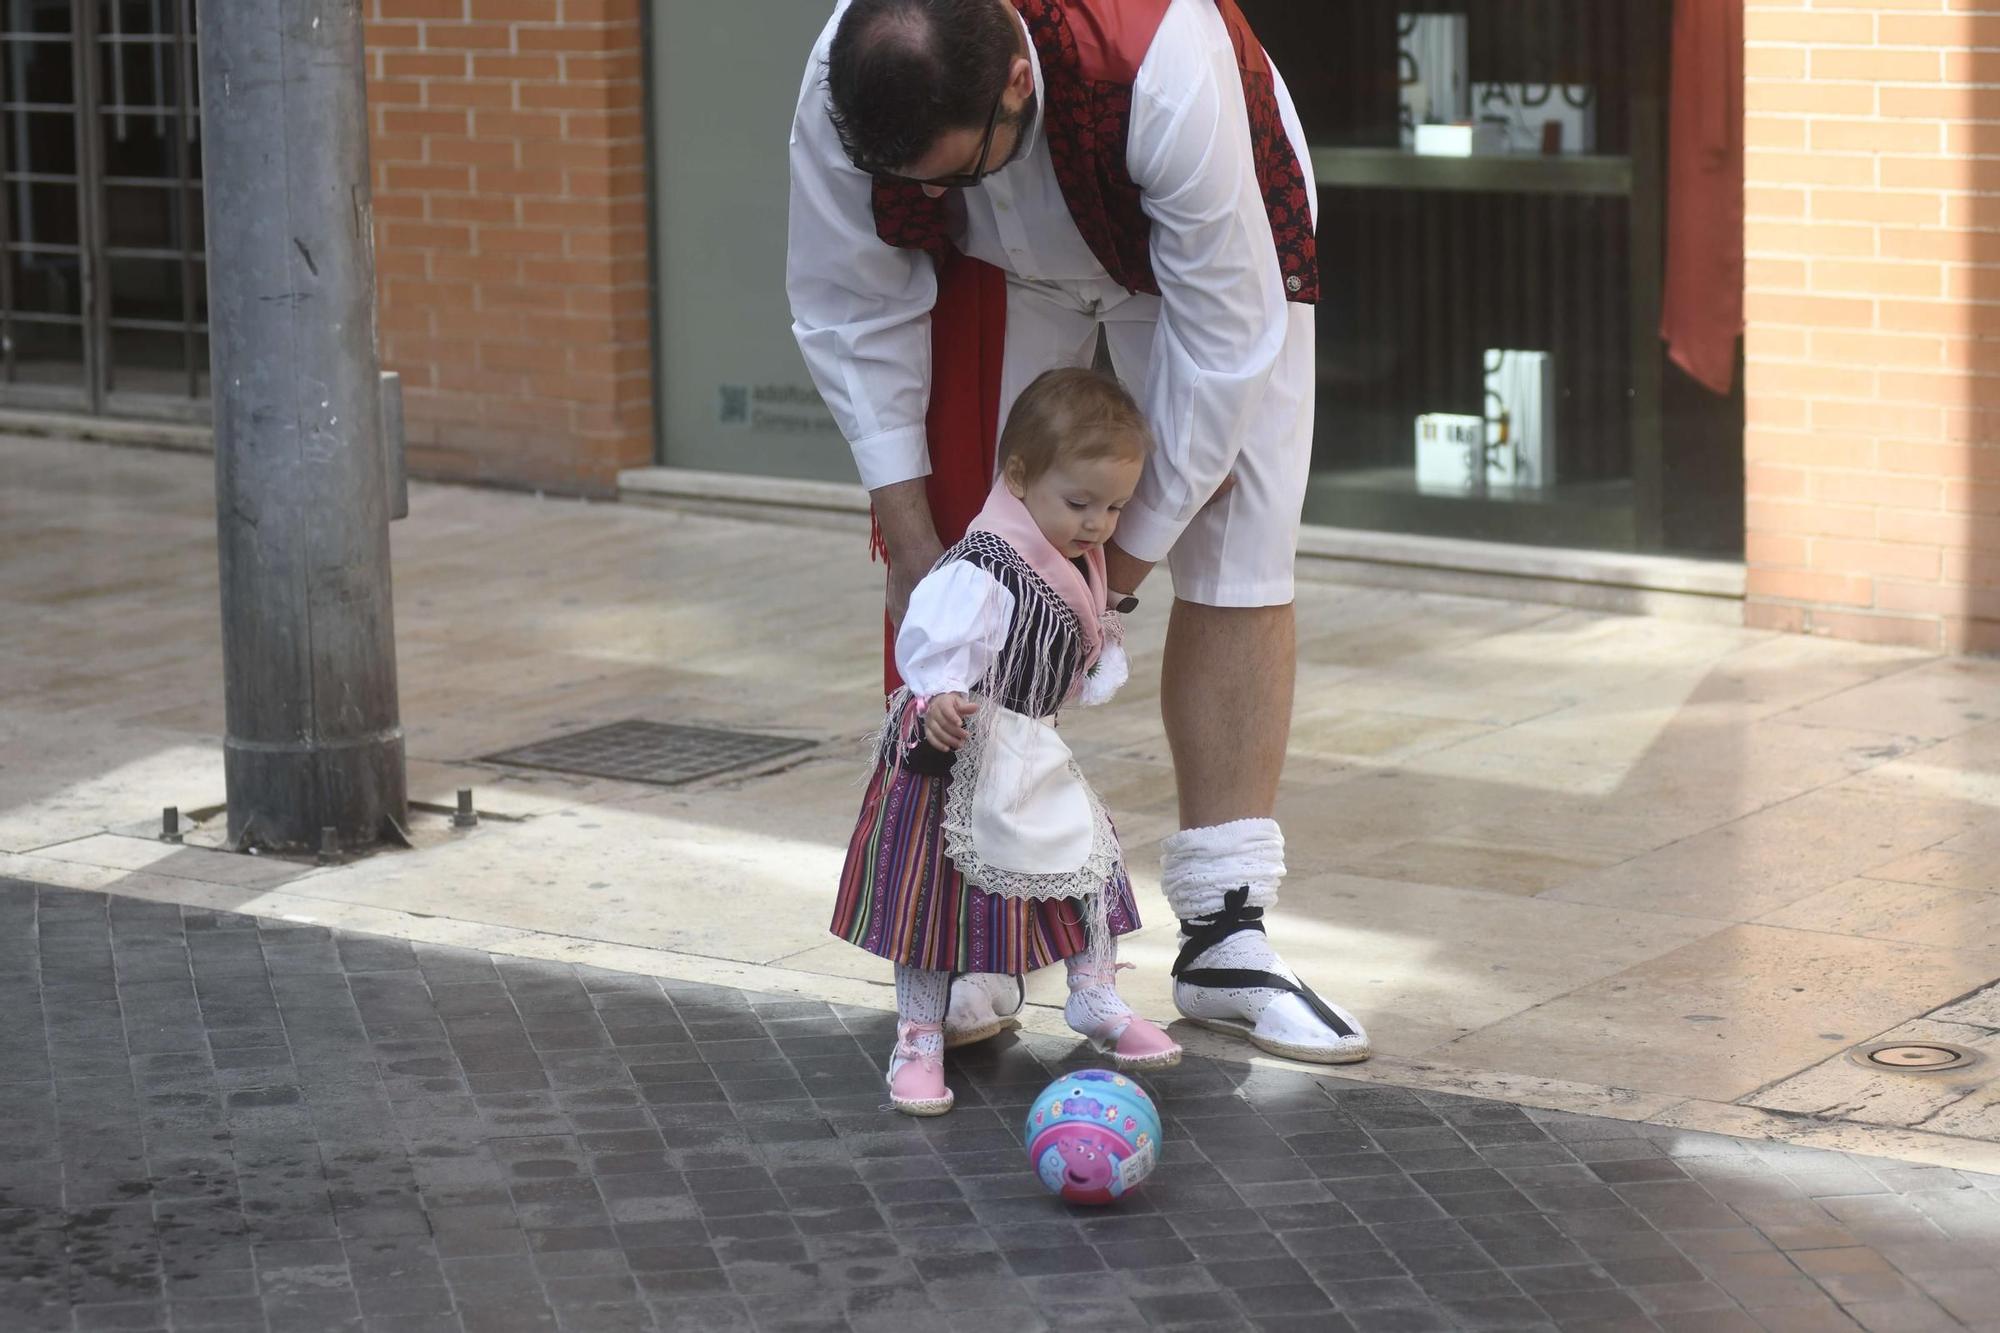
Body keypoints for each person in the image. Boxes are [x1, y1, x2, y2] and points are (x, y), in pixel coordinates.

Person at [788, 0, 1370, 1065]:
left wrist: (1101, 582)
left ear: (1014, 82)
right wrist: (917, 544)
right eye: (909, 179)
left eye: (952, 172)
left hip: (1191, 261)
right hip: (1000, 269)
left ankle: (1224, 931)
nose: (924, 196)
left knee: (1235, 543)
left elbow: (1227, 340)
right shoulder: (855, 71)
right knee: (970, 560)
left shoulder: (1160, 62)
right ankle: (972, 934)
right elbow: (848, 306)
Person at [833, 368, 1183, 1116]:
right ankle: (919, 1037)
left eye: (1115, 506)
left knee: (1088, 863)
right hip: (958, 749)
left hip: (1030, 744)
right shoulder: (983, 568)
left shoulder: (1072, 561)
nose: (1097, 524)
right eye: (1080, 502)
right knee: (930, 903)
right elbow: (933, 650)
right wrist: (939, 701)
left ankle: (1094, 994)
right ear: (1019, 477)